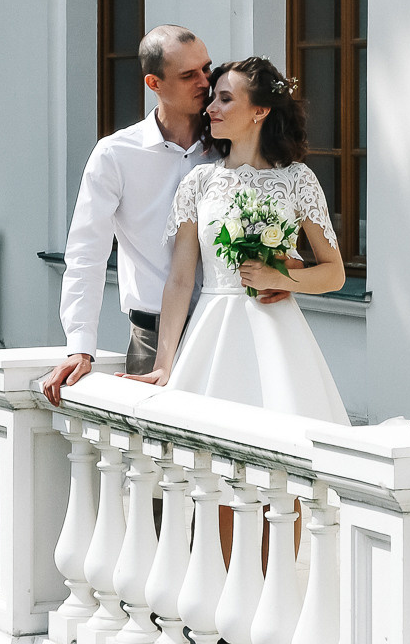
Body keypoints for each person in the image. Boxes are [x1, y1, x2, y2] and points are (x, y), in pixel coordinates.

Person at [39, 26, 284, 406]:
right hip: (153, 339)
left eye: (206, 68)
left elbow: (276, 219)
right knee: (152, 462)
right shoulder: (115, 155)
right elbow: (86, 255)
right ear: (154, 82)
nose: (205, 82)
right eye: (189, 75)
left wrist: (283, 270)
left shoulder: (234, 145)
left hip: (234, 331)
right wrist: (80, 346)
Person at [133, 57, 350, 422]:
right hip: (211, 333)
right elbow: (181, 279)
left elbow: (335, 274)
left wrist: (280, 278)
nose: (211, 108)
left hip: (278, 336)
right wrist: (163, 364)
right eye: (213, 99)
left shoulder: (298, 179)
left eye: (225, 99)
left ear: (260, 110)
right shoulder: (198, 182)